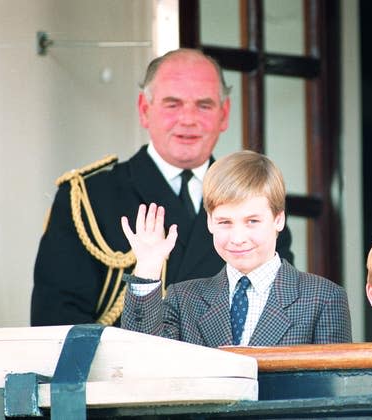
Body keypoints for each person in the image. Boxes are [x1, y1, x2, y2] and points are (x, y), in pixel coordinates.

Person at [31, 49, 293, 326]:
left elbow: (278, 311)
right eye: (173, 104)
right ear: (145, 110)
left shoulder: (257, 200)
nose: (188, 119)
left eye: (204, 105)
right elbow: (57, 323)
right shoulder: (90, 198)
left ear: (224, 115)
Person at [120, 150, 352, 346]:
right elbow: (143, 358)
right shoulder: (184, 298)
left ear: (278, 220)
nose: (238, 238)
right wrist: (149, 267)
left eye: (252, 221)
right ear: (210, 222)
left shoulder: (324, 298)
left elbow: (332, 393)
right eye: (225, 222)